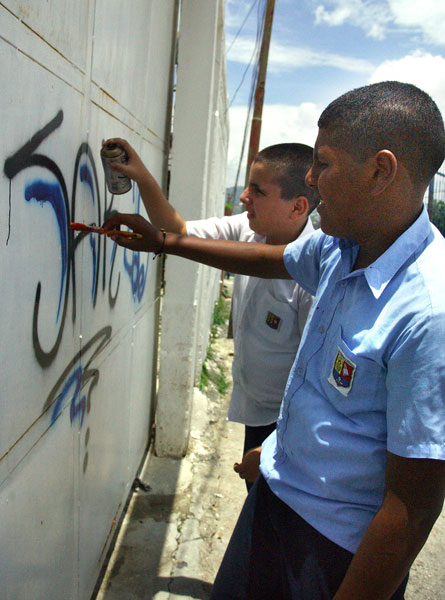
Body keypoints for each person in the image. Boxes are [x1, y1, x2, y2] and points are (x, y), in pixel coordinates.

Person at [104, 81, 445, 600]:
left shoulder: (428, 313)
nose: (311, 179)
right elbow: (270, 261)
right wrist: (165, 242)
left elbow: (411, 509)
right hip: (275, 498)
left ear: (381, 171)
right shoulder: (341, 247)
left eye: (323, 164)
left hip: (331, 551)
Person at [103, 138, 318, 490]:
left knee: (270, 522)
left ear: (297, 208)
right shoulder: (247, 231)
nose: (245, 196)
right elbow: (178, 230)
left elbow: (315, 379)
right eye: (248, 185)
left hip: (286, 424)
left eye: (258, 191)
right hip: (257, 410)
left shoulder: (309, 282)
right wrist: (142, 177)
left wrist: (277, 446)